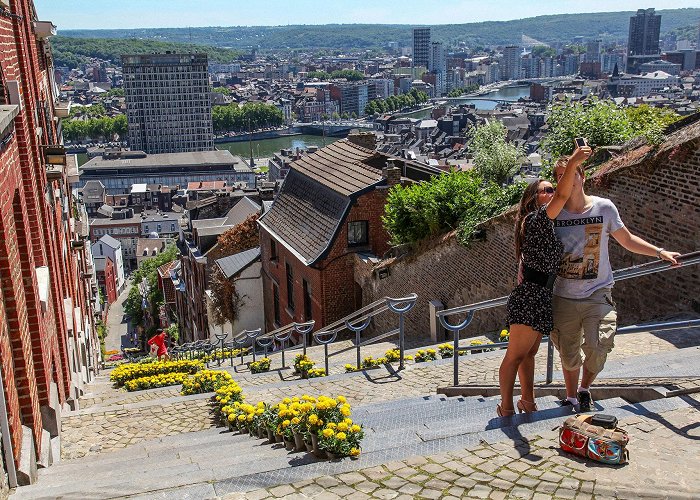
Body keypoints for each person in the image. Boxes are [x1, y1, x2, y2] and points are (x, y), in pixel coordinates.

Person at [551, 156, 680, 412]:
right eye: (560, 176)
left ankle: (584, 389)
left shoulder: (604, 208)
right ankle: (572, 397)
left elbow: (627, 239)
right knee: (568, 351)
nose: (566, 179)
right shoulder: (554, 213)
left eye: (571, 174)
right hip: (563, 295)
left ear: (583, 176)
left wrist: (658, 251)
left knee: (599, 344)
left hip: (597, 292)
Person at [498, 144, 592, 417]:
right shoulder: (536, 219)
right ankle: (505, 407)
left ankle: (527, 402)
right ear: (533, 198)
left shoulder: (541, 223)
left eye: (552, 189)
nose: (552, 193)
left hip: (540, 294)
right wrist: (573, 162)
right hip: (530, 295)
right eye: (546, 190)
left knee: (529, 355)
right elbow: (564, 194)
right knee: (514, 355)